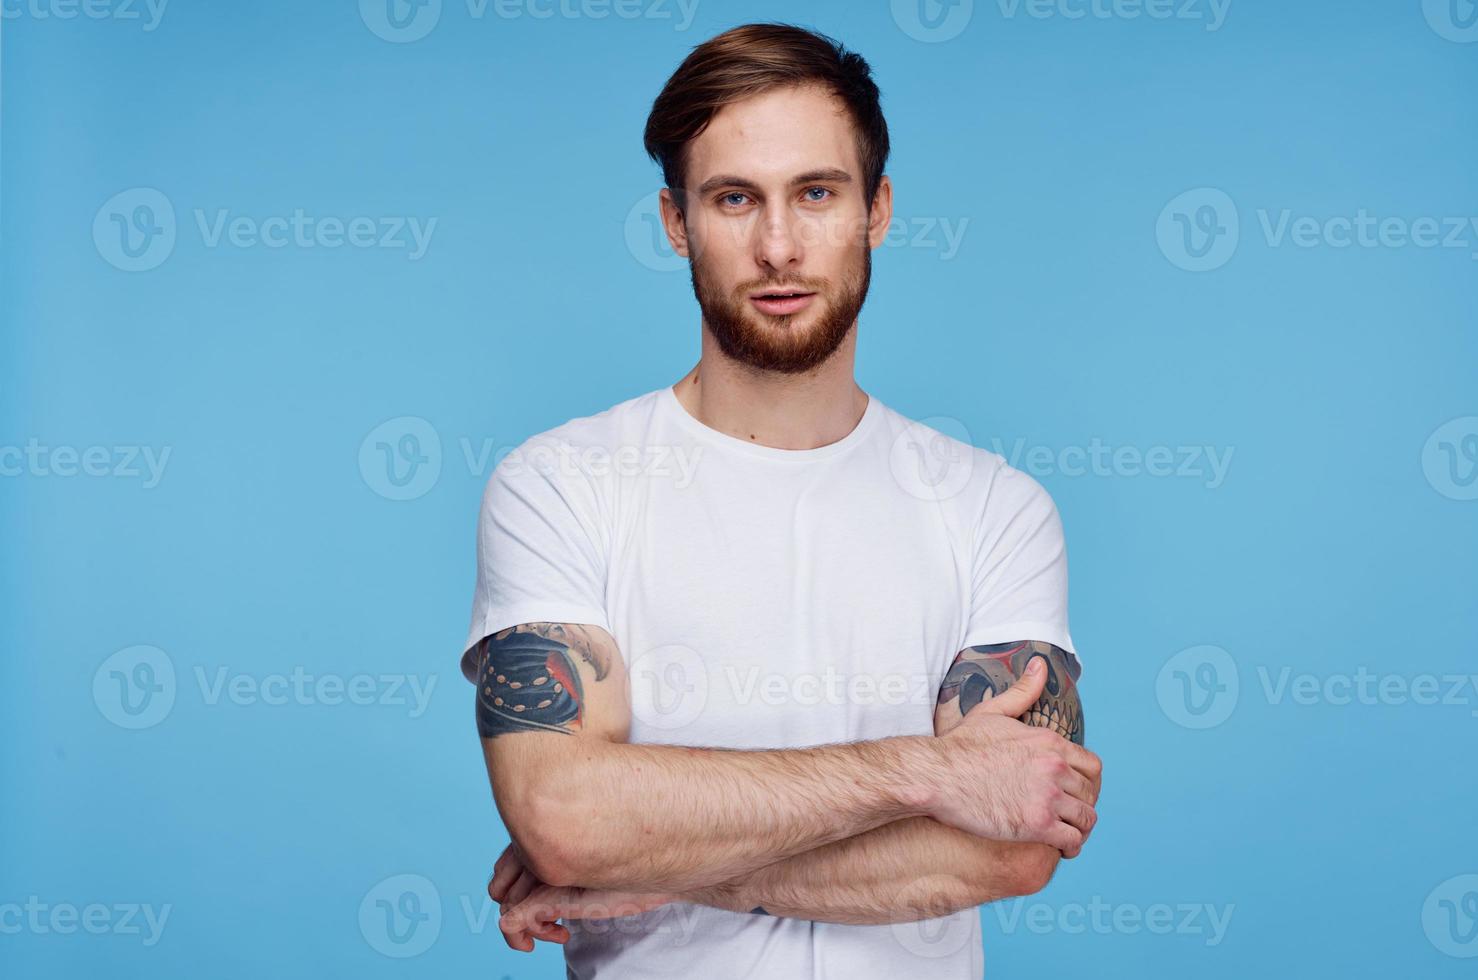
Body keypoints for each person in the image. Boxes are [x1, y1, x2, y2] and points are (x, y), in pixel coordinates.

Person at [460, 22, 1101, 979]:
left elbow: (1011, 844)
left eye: (816, 193)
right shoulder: (559, 484)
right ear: (676, 221)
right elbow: (565, 818)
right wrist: (927, 772)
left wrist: (661, 864)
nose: (778, 246)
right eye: (732, 199)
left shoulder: (994, 508)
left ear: (876, 210)